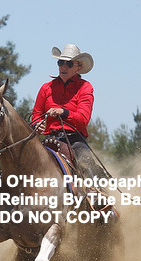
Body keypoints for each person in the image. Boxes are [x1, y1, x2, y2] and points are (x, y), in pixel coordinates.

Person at [32, 44, 103, 180]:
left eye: (69, 64)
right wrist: (37, 124)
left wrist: (63, 112)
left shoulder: (85, 88)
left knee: (86, 164)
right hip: (48, 139)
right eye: (60, 63)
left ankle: (94, 191)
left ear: (78, 67)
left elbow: (83, 119)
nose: (63, 67)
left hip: (74, 141)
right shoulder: (46, 88)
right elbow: (36, 114)